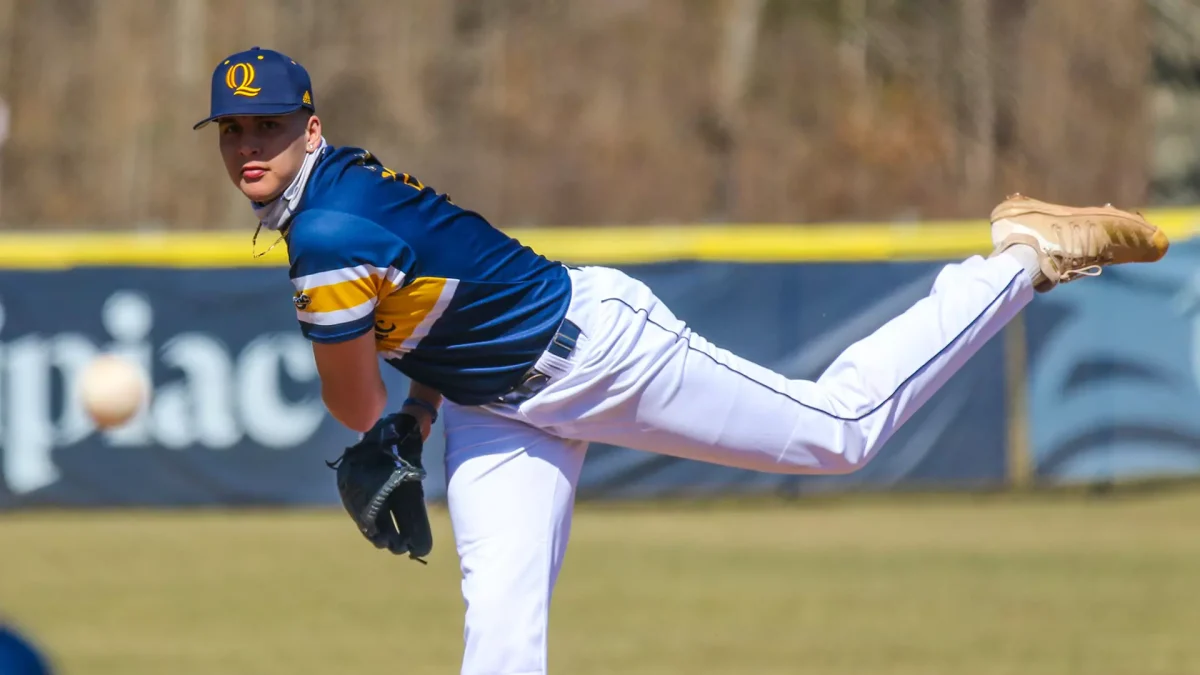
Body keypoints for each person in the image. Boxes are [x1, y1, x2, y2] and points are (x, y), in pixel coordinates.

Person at [195, 47, 1169, 675]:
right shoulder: (345, 197)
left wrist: (374, 432)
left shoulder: (328, 228)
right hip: (497, 404)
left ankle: (1020, 258)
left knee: (837, 433)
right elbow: (438, 316)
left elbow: (348, 391)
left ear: (309, 128)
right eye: (233, 129)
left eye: (268, 125)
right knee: (499, 630)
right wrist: (410, 424)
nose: (249, 144)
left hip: (596, 354)